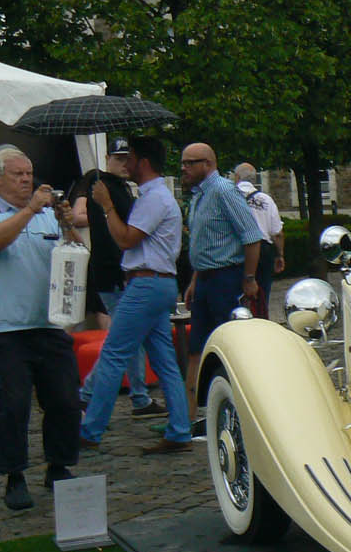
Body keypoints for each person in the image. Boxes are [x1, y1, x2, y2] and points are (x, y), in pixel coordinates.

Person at [0, 148, 84, 510]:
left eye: (29, 173)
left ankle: (59, 465)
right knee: (11, 405)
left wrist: (66, 224)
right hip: (7, 327)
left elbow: (76, 254)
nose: (26, 180)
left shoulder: (47, 216)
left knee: (65, 399)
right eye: (18, 174)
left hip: (50, 322)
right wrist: (30, 210)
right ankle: (14, 475)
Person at [79, 136, 192, 454]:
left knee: (114, 354)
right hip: (158, 283)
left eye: (129, 158)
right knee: (164, 361)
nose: (125, 163)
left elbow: (126, 239)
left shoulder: (153, 199)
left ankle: (91, 430)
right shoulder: (155, 196)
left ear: (143, 162)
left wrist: (107, 206)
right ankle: (179, 430)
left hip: (145, 284)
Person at [69, 138, 159, 417]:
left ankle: (139, 396)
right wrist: (123, 270)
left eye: (126, 158)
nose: (124, 163)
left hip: (119, 271)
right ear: (108, 158)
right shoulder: (103, 187)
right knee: (122, 340)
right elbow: (108, 236)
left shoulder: (119, 187)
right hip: (115, 273)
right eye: (118, 158)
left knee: (129, 337)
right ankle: (88, 395)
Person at [179, 143, 265, 427]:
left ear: (207, 163)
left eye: (189, 163)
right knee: (196, 347)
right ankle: (187, 419)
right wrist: (195, 279)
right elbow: (203, 242)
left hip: (226, 280)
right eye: (183, 163)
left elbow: (251, 236)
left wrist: (249, 278)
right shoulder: (199, 196)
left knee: (228, 348)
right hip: (205, 280)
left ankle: (237, 413)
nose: (183, 168)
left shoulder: (224, 191)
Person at [232, 163, 285, 318]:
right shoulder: (266, 200)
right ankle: (260, 319)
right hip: (263, 252)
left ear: (237, 177)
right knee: (261, 295)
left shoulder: (231, 198)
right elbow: (277, 233)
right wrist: (279, 255)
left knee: (236, 295)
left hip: (237, 249)